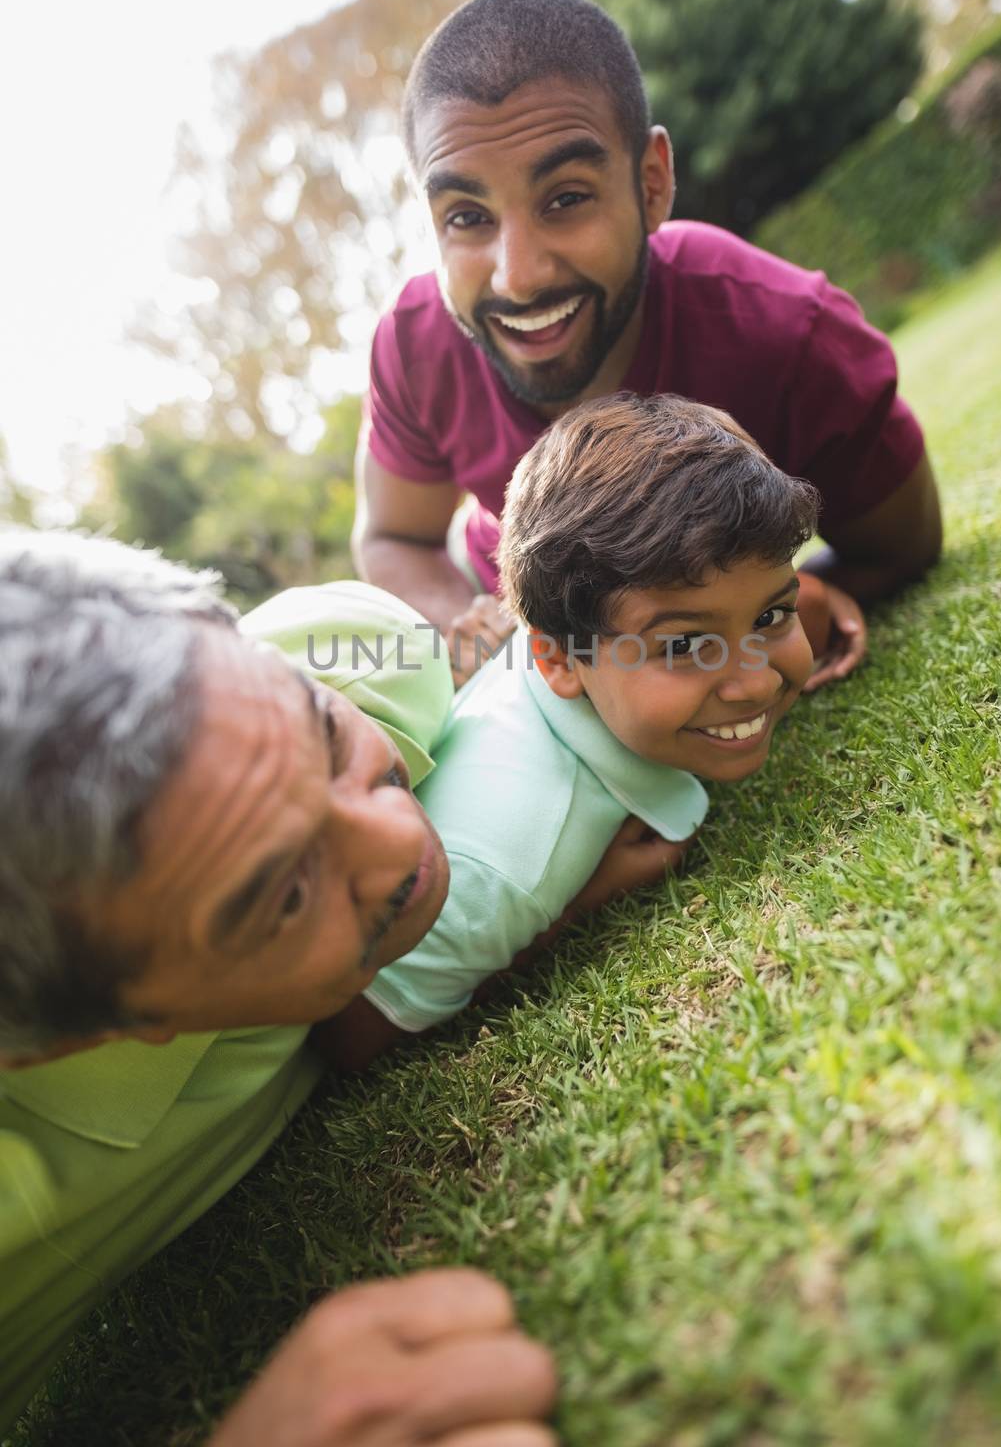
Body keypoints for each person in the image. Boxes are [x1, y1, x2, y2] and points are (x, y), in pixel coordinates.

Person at [6, 528, 677, 1443]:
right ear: (81, 1035)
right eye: (283, 896)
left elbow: (485, 647)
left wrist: (718, 642)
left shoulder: (363, 653)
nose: (400, 839)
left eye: (323, 737)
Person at [355, 0, 942, 688]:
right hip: (501, 594)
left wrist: (764, 614)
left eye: (566, 198)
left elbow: (898, 551)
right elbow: (393, 537)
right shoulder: (414, 344)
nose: (515, 276)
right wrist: (485, 637)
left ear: (652, 182)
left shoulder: (788, 331)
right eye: (465, 216)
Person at [340, 394, 827, 1051]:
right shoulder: (498, 866)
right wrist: (569, 910)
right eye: (684, 646)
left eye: (770, 617)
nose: (758, 681)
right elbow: (351, 1030)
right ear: (559, 660)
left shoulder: (584, 651)